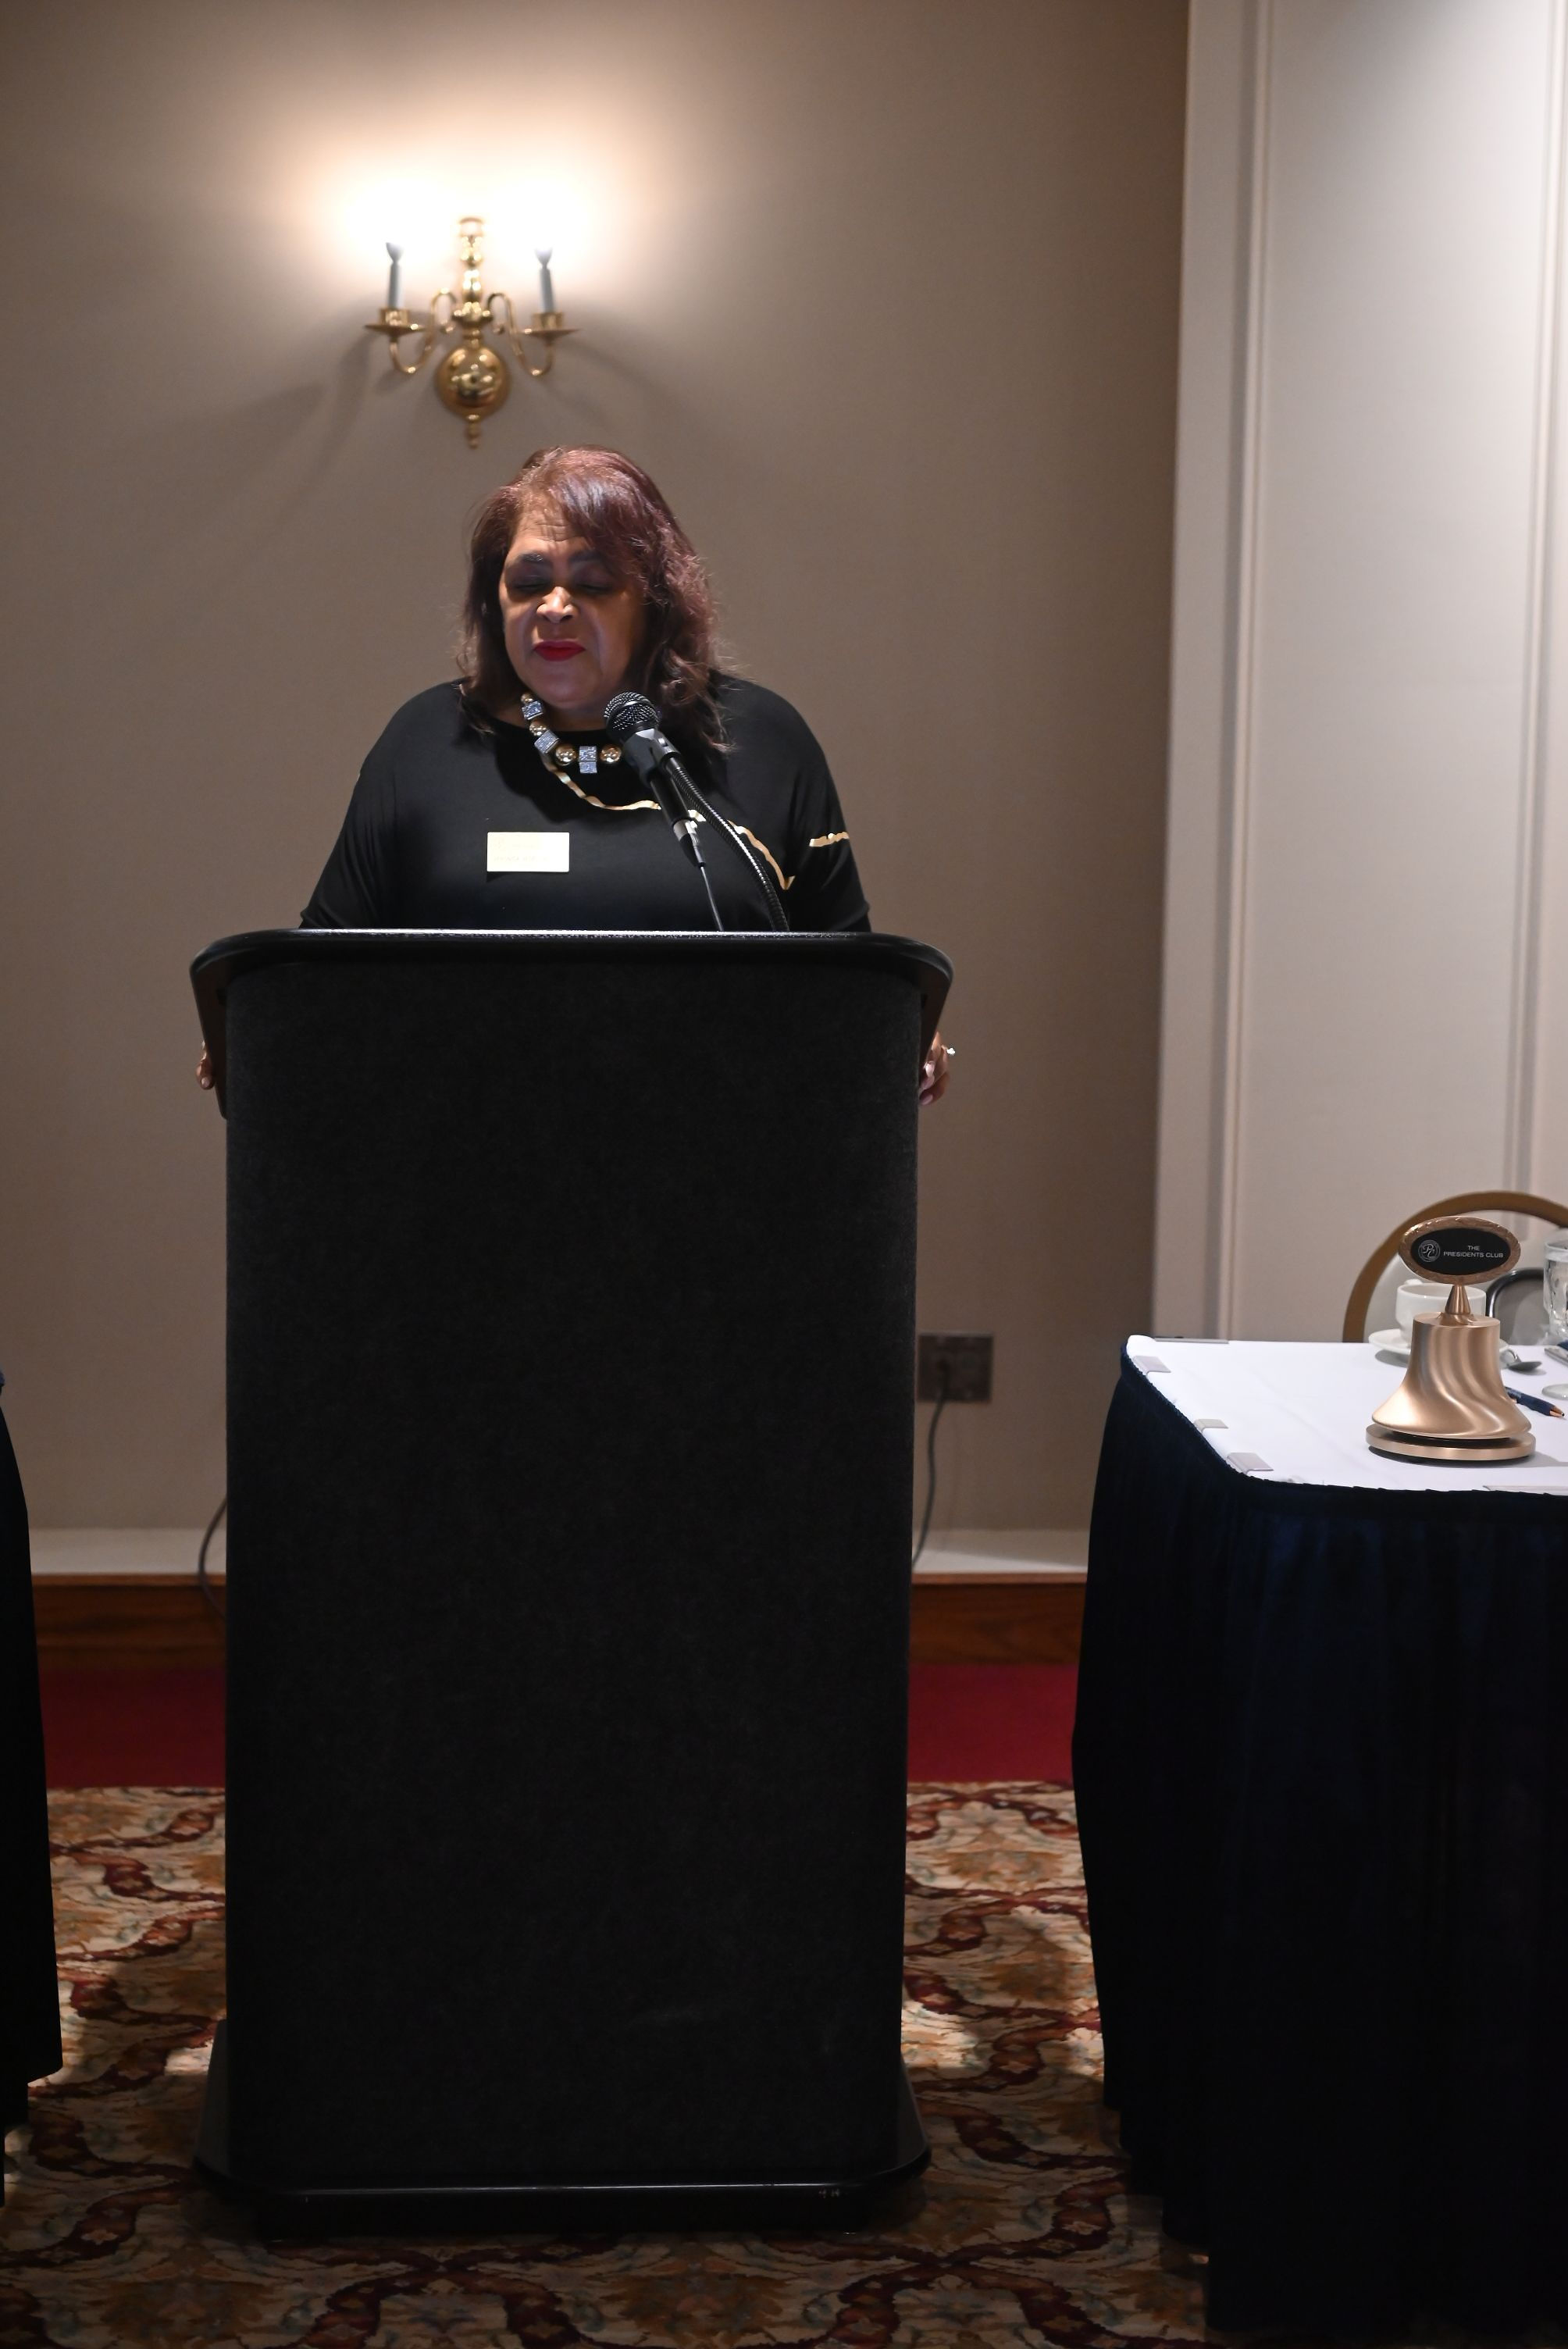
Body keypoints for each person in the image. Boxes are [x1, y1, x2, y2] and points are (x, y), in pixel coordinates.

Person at [198, 446, 950, 1100]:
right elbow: (322, 968)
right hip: (459, 1166)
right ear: (494, 601)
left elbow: (849, 977)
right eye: (529, 582)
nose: (555, 608)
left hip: (723, 1164)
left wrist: (897, 1038)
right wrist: (263, 1035)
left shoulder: (760, 740)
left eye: (592, 583)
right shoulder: (424, 742)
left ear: (653, 602)